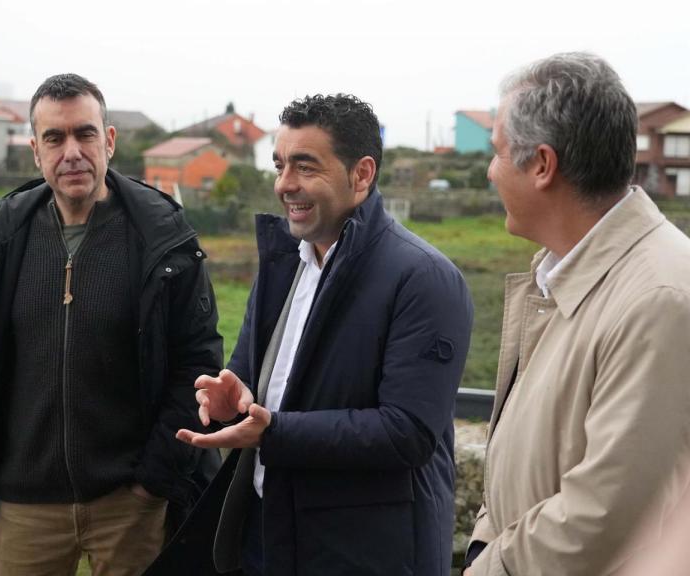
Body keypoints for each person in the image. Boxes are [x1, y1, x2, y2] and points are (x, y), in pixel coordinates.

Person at [0, 73, 223, 576]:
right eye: (55, 137)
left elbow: (196, 363)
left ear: (108, 140)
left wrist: (153, 478)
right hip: (25, 504)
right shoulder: (2, 242)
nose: (72, 151)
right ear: (35, 150)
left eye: (85, 134)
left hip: (129, 502)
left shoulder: (163, 239)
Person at [176, 93, 473, 575]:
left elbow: (407, 433)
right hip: (268, 540)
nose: (284, 185)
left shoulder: (424, 278)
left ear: (361, 174)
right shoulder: (285, 263)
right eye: (279, 165)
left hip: (364, 556)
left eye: (305, 167)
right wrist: (235, 391)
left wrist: (272, 430)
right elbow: (256, 377)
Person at [463, 52, 690, 576]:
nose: (491, 170)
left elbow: (606, 517)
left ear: (542, 165)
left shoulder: (658, 298)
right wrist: (483, 541)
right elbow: (515, 464)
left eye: (498, 152)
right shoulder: (564, 272)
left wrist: (489, 566)